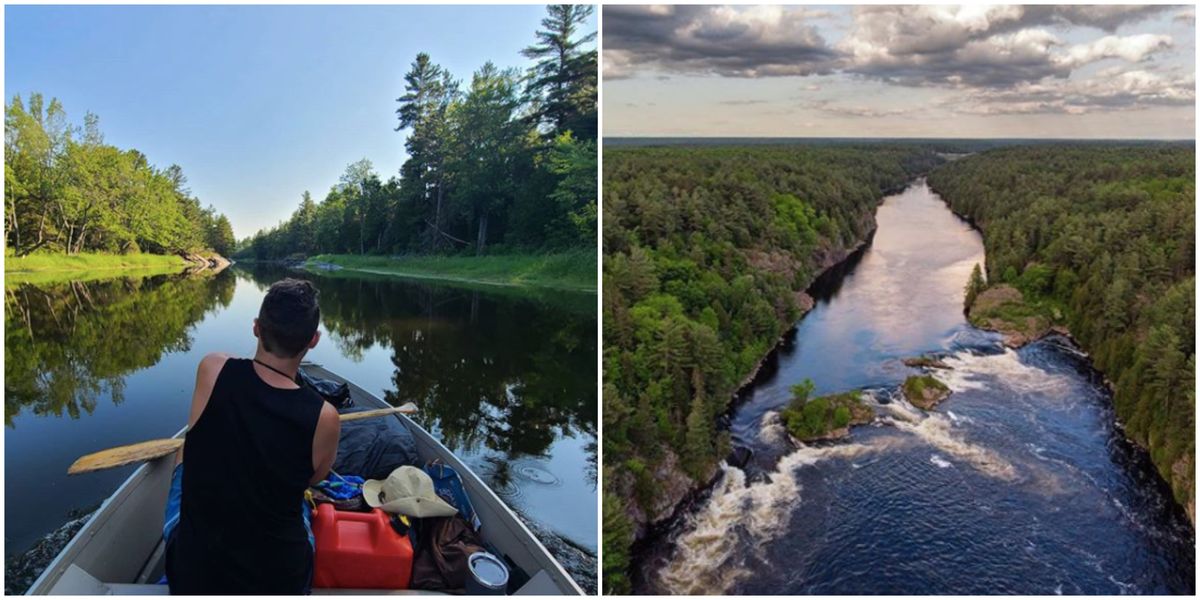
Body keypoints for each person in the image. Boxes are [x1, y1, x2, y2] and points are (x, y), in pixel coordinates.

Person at [163, 278, 341, 594]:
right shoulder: (325, 417)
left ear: (256, 327)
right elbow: (314, 478)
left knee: (184, 453)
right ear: (313, 340)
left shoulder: (213, 368)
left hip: (193, 576)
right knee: (301, 502)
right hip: (280, 583)